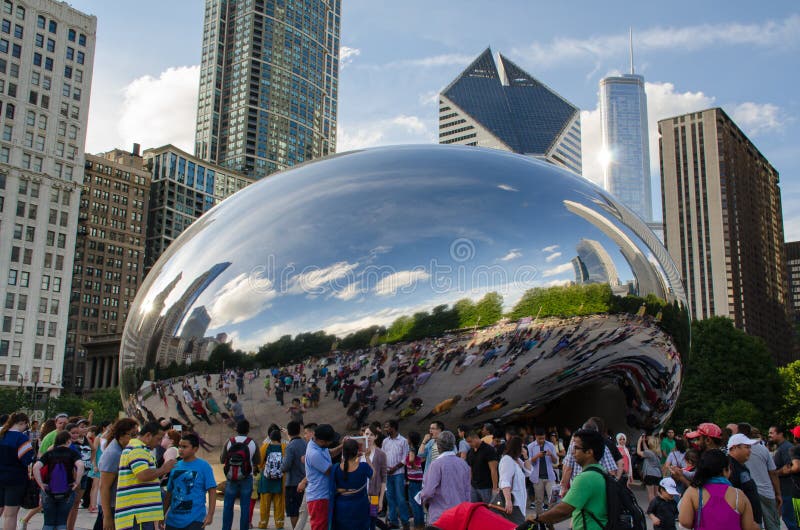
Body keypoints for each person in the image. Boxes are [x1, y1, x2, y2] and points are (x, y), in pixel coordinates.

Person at [526, 429, 608, 530]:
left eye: (576, 448)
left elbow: (563, 510)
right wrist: (549, 519)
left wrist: (538, 518)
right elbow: (573, 509)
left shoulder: (585, 478)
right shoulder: (601, 472)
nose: (572, 452)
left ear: (589, 452)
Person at [677, 449, 759, 530]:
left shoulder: (693, 492)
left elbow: (685, 522)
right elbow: (749, 527)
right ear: (725, 470)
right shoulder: (739, 495)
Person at [115, 421, 175, 530]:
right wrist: (164, 469)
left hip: (140, 515)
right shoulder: (137, 450)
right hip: (138, 515)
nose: (160, 443)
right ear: (148, 435)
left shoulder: (138, 449)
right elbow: (143, 475)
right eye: (158, 439)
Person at [164, 433, 217, 530]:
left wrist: (210, 514)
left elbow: (212, 491)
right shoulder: (174, 466)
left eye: (184, 447)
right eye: (179, 446)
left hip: (195, 520)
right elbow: (169, 492)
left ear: (195, 449)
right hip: (173, 520)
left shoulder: (204, 466)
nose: (180, 449)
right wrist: (162, 515)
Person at [33, 431, 84, 530]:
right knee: (62, 521)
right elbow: (81, 465)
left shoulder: (49, 453)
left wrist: (41, 484)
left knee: (48, 522)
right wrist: (77, 482)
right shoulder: (72, 453)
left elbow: (36, 467)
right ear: (68, 441)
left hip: (49, 490)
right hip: (67, 489)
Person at [418, 431, 471, 525]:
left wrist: (422, 498)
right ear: (453, 445)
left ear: (438, 446)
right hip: (460, 513)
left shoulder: (436, 464)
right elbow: (467, 491)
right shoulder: (463, 464)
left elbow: (428, 492)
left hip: (441, 515)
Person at [736, 424, 780, 530]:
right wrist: (778, 493)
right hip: (766, 491)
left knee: (754, 523)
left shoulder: (735, 451)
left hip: (747, 492)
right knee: (772, 524)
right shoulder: (762, 449)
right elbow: (773, 472)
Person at [97, 418, 138, 530]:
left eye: (137, 434)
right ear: (121, 435)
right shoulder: (113, 454)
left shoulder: (124, 450)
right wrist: (107, 517)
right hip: (110, 507)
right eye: (132, 435)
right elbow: (104, 487)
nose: (136, 438)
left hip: (119, 506)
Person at [220, 420, 260, 530]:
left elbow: (222, 459)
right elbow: (257, 461)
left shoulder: (229, 442)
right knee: (245, 507)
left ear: (236, 429)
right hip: (247, 477)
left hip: (231, 477)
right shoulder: (252, 443)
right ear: (248, 430)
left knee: (228, 506)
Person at [0, 412, 35, 530]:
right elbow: (27, 459)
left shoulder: (1, 434)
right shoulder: (22, 438)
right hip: (15, 479)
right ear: (24, 423)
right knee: (10, 515)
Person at [332, 438, 373, 530]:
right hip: (360, 507)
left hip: (342, 508)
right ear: (357, 451)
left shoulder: (336, 468)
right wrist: (367, 457)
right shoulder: (363, 467)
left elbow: (332, 487)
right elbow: (373, 474)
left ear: (343, 451)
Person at [727, 433, 764, 527]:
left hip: (751, 521)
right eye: (747, 447)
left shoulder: (740, 466)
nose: (750, 451)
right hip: (744, 523)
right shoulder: (730, 468)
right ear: (734, 448)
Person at [305, 424, 337, 530]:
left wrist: (343, 446)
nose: (331, 443)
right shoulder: (314, 453)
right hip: (319, 498)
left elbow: (330, 453)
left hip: (323, 495)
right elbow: (331, 472)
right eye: (329, 441)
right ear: (322, 441)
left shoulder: (318, 445)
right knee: (320, 527)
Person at [496, 436, 532, 525]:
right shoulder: (507, 460)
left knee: (518, 524)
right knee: (518, 524)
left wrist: (526, 456)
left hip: (519, 499)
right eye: (522, 447)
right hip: (514, 500)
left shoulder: (517, 460)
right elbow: (505, 481)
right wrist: (508, 501)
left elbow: (528, 472)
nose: (523, 449)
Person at [382, 420, 410, 530]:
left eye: (387, 427)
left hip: (398, 473)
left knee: (401, 498)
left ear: (393, 428)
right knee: (390, 498)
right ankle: (393, 521)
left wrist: (394, 468)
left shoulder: (403, 441)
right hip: (388, 473)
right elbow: (383, 456)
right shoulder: (385, 441)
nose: (385, 429)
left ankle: (405, 521)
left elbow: (406, 458)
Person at [770, 424, 797, 530]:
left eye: (772, 433)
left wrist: (776, 473)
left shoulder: (786, 448)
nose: (769, 435)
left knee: (790, 520)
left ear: (780, 434)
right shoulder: (781, 447)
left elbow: (790, 466)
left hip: (788, 490)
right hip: (784, 489)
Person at [527, 427, 558, 519]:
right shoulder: (531, 446)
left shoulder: (550, 445)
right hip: (537, 477)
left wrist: (551, 454)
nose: (542, 440)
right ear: (535, 436)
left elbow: (555, 461)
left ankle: (551, 518)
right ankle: (540, 519)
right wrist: (537, 456)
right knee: (538, 500)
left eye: (543, 438)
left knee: (552, 498)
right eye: (540, 438)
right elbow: (529, 462)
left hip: (549, 476)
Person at [281, 421, 306, 529]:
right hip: (305, 481)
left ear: (289, 431)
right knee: (302, 511)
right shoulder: (305, 443)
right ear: (299, 430)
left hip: (293, 483)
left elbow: (285, 466)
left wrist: (282, 462)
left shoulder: (290, 447)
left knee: (293, 511)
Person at [257, 429, 284, 530]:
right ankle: (279, 524)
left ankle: (263, 524)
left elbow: (259, 463)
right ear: (280, 438)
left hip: (266, 479)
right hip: (279, 480)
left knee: (265, 503)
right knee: (279, 503)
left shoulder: (265, 447)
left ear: (270, 438)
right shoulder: (284, 447)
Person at [464, 430, 498, 503]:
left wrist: (495, 488)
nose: (469, 444)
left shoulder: (489, 450)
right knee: (475, 510)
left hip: (486, 487)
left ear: (476, 438)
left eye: (470, 441)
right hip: (474, 487)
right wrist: (469, 484)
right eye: (468, 442)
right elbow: (470, 469)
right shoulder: (470, 452)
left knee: (489, 510)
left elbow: (493, 470)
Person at [364, 426, 387, 530]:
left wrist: (381, 499)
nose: (368, 437)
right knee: (361, 520)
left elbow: (383, 478)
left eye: (371, 434)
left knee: (372, 520)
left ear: (376, 436)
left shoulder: (381, 454)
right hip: (360, 493)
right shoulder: (358, 453)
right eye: (366, 434)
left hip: (374, 495)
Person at [406, 431, 425, 528]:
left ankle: (418, 525)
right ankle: (421, 523)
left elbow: (411, 459)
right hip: (419, 478)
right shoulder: (419, 448)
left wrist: (413, 465)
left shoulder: (412, 449)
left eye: (407, 437)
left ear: (410, 439)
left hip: (414, 480)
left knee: (414, 503)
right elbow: (422, 459)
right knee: (419, 502)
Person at [637, 434, 663, 502]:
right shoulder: (658, 453)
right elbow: (646, 450)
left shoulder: (649, 453)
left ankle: (652, 509)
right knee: (656, 493)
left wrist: (639, 442)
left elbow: (638, 452)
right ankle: (658, 508)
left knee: (651, 494)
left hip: (650, 474)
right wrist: (643, 442)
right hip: (658, 474)